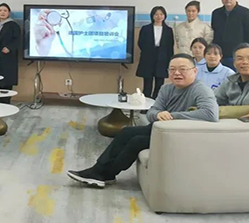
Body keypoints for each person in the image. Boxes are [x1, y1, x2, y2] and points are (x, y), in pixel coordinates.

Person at [67, 53, 218, 188]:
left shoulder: (200, 89)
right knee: (126, 132)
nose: (177, 73)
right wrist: (158, 115)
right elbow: (151, 112)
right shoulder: (166, 89)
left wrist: (172, 116)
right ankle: (100, 171)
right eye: (172, 69)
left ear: (194, 71)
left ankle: (104, 173)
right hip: (160, 129)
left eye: (183, 69)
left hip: (180, 134)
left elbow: (211, 114)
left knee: (137, 141)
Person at [211, 0, 249, 69]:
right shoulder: (216, 13)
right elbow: (214, 32)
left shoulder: (246, 13)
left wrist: (248, 53)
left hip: (239, 55)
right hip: (220, 55)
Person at [136, 6, 174, 100]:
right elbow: (140, 43)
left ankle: (156, 103)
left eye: (161, 14)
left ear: (164, 16)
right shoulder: (145, 28)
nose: (159, 16)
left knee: (159, 84)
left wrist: (170, 61)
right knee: (147, 84)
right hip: (148, 57)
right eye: (156, 14)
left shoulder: (168, 30)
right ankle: (145, 103)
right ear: (152, 16)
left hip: (162, 58)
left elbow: (170, 46)